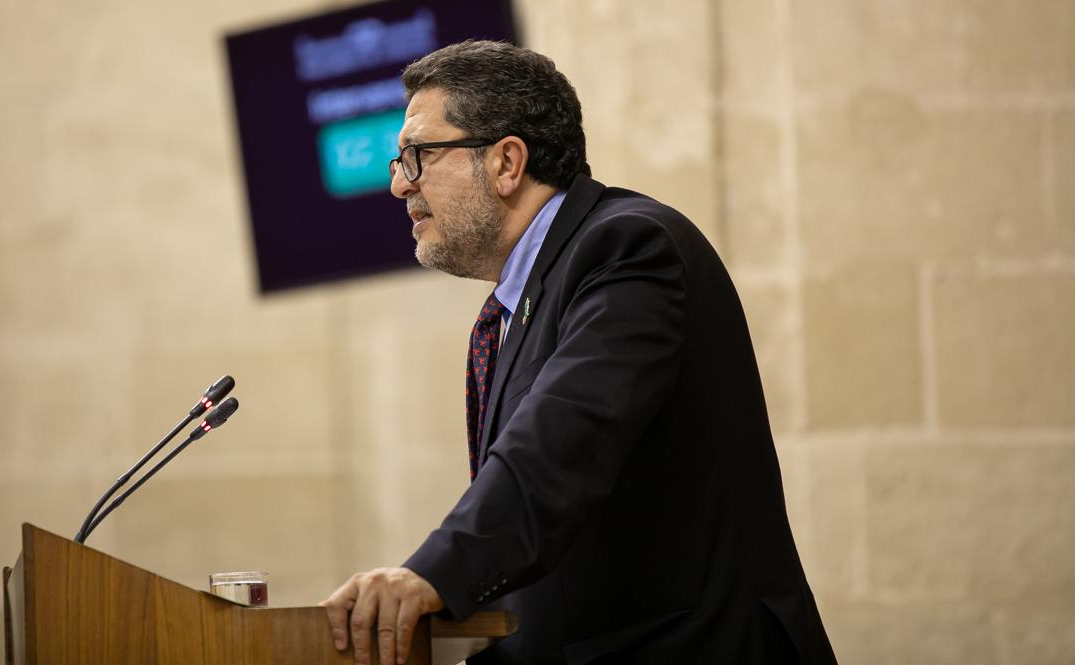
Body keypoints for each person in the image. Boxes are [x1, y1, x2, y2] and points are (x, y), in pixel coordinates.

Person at [321, 40, 838, 665]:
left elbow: (561, 445)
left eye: (418, 155)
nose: (399, 183)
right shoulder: (519, 301)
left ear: (506, 162)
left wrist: (433, 575)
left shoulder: (626, 247)